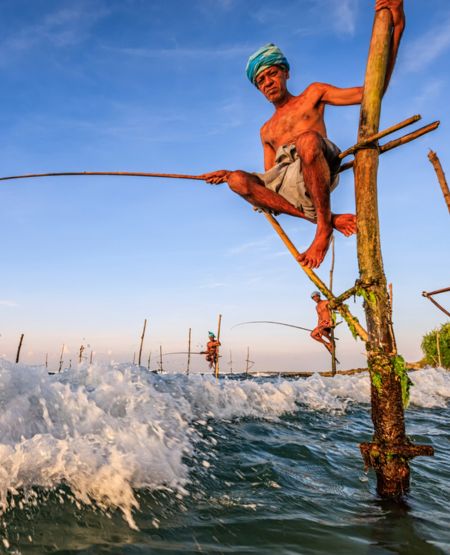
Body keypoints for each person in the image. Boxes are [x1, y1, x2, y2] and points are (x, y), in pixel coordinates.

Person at [201, 0, 404, 269]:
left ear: (284, 73)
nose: (267, 83)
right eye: (260, 81)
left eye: (271, 74)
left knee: (306, 139)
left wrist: (398, 25)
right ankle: (327, 221)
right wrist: (230, 176)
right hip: (294, 186)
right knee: (238, 180)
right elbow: (273, 185)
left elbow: (371, 92)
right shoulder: (266, 130)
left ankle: (322, 229)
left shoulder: (313, 94)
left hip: (316, 162)